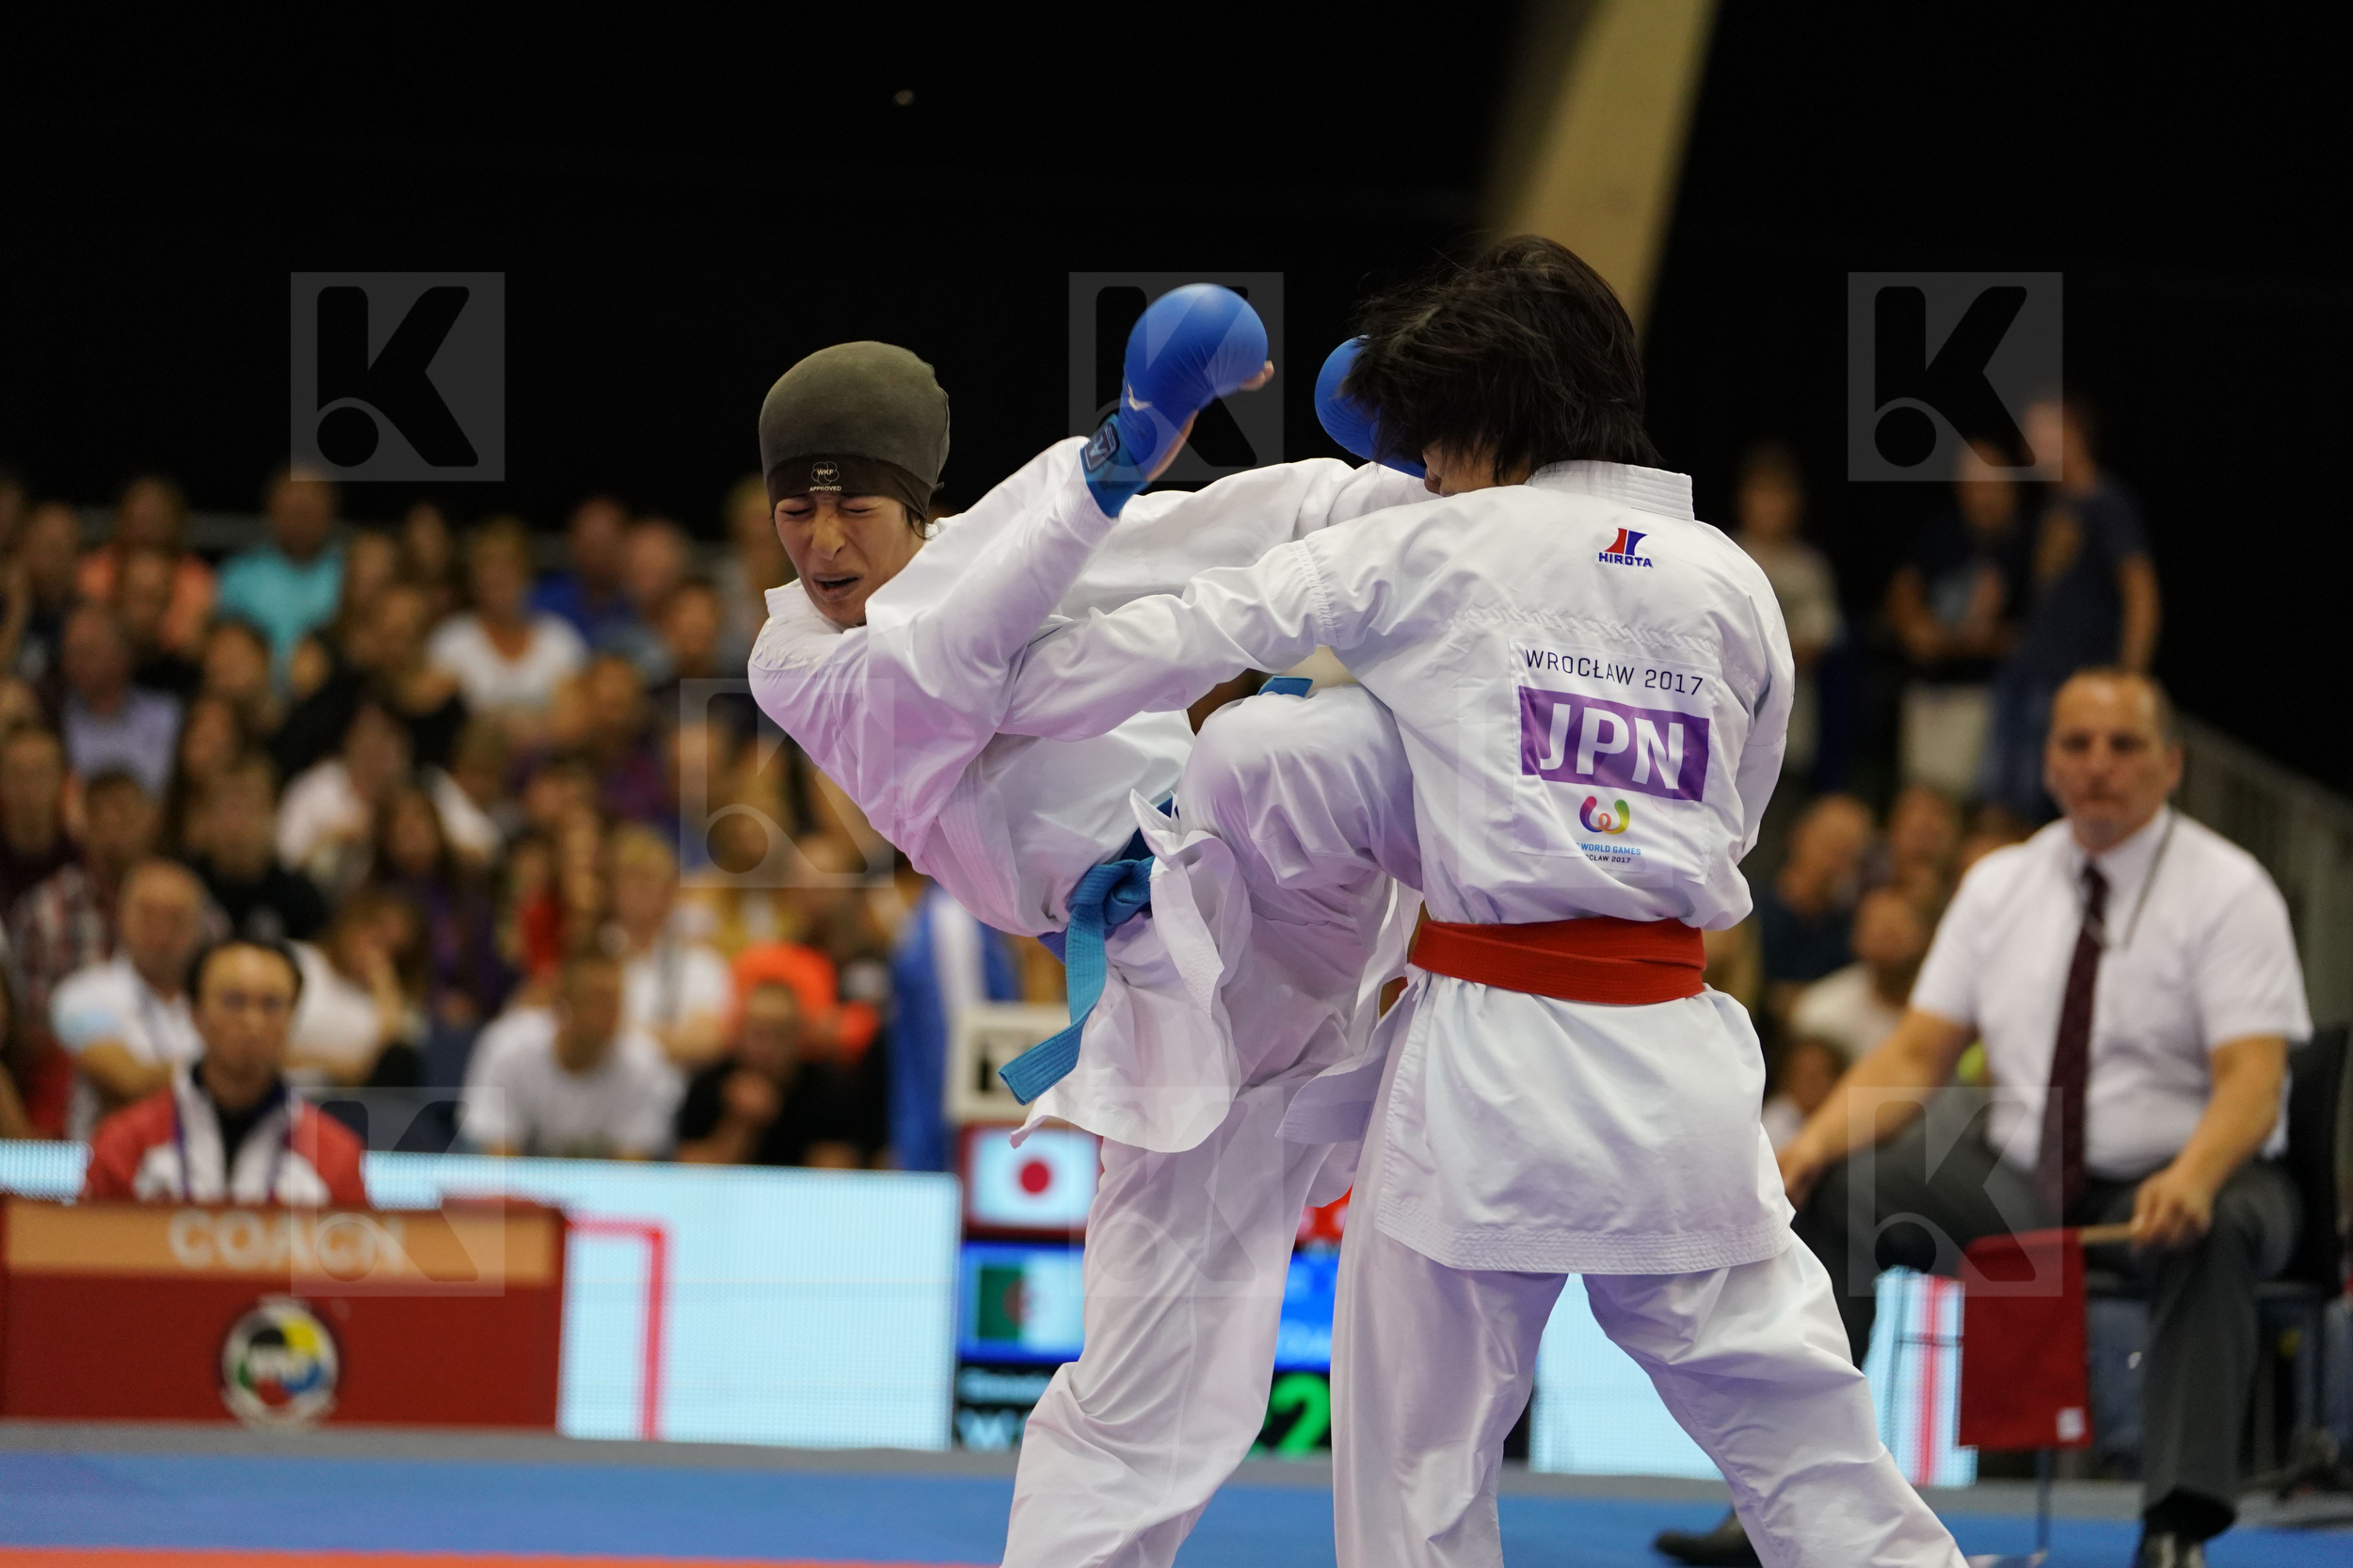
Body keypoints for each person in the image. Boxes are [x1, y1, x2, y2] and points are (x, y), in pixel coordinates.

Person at [992, 237, 1963, 1568]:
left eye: (1432, 441)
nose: (1423, 472)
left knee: (1417, 1490)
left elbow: (1186, 632)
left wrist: (969, 663)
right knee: (1818, 1462)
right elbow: (1732, 816)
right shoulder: (1736, 580)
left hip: (1487, 1076)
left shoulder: (1448, 546)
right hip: (1674, 1057)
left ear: (1487, 419)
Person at [744, 314, 1429, 1567]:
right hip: (1179, 986)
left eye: (855, 509)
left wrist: (1389, 474)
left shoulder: (1001, 547)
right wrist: (1118, 458)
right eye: (798, 510)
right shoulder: (797, 660)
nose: (826, 542)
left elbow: (1218, 529)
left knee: (1294, 735)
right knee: (1148, 1393)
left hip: (1272, 886)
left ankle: (1476, 496)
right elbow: (949, 673)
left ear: (917, 508)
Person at [1777, 670, 2304, 1567]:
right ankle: (1801, 1503)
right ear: (2048, 763)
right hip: (2020, 1178)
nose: (2099, 763)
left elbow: (2253, 1080)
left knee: (2207, 1230)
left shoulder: (2230, 888)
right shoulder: (2000, 885)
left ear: (2171, 764)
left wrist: (2196, 1173)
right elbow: (1915, 1055)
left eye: (2124, 745)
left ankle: (2177, 1527)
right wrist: (1809, 1144)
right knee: (1844, 1189)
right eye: (2076, 744)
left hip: (2186, 1166)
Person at [1979, 396, 2162, 820]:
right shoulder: (2051, 510)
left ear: (2076, 435)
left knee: (2047, 802)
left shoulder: (2107, 501)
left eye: (2046, 433)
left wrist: (2129, 681)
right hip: (2028, 673)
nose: (2034, 448)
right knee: (2000, 802)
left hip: (2073, 682)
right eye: (2029, 437)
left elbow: (2141, 591)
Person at [82, 936, 368, 1206]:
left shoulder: (337, 1156)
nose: (253, 1023)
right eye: (234, 1001)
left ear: (292, 1018)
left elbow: (361, 1253)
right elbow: (81, 1250)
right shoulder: (126, 1143)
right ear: (195, 1015)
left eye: (271, 1004)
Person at [1884, 440, 2032, 797]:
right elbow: (1903, 590)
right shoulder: (1941, 533)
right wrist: (1916, 627)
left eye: (1990, 484)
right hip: (1933, 696)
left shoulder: (2030, 542)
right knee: (1925, 799)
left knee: (1986, 806)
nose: (1980, 496)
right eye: (1970, 485)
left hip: (2000, 701)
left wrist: (1962, 642)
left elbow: (2030, 634)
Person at [8, 769, 162, 1077]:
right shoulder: (44, 913)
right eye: (106, 817)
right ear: (83, 826)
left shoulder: (185, 904)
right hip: (67, 1074)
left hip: (166, 1073)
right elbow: (28, 1033)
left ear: (152, 823)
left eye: (129, 816)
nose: (117, 831)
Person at [461, 950, 680, 1159]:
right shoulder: (507, 1048)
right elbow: (497, 1166)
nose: (610, 1015)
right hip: (522, 1193)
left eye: (616, 1002)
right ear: (561, 1006)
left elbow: (630, 1177)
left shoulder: (643, 1064)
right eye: (597, 1001)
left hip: (601, 1193)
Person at [48, 857, 209, 1141]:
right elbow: (128, 1081)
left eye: (176, 917)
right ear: (120, 915)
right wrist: (235, 1072)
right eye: (147, 914)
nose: (161, 931)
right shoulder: (81, 995)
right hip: (108, 1172)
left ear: (199, 926)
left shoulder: (214, 1000)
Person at [674, 979, 886, 1167]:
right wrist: (740, 1124)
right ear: (738, 1034)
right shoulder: (708, 1085)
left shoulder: (832, 1091)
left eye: (779, 1034)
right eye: (757, 1034)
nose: (766, 1047)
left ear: (798, 1037)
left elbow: (835, 1185)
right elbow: (693, 1181)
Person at [1730, 441, 1840, 781]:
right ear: (1743, 498)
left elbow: (1811, 646)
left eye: (1779, 495)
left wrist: (1743, 643)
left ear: (1796, 503)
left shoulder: (1810, 569)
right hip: (1727, 729)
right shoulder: (1725, 555)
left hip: (1787, 735)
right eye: (1762, 494)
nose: (1770, 507)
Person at [428, 519, 589, 741]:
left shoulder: (559, 640)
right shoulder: (450, 642)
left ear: (527, 572)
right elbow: (440, 726)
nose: (499, 577)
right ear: (473, 578)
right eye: (488, 567)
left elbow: (574, 723)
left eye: (508, 566)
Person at [605, 823, 733, 1067]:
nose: (634, 890)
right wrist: (666, 1038)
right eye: (625, 879)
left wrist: (624, 1037)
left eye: (646, 880)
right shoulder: (592, 955)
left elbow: (708, 1041)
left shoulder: (700, 962)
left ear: (670, 890)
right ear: (611, 888)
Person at [1750, 792, 1874, 1028]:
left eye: (1847, 852)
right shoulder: (1745, 911)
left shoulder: (1850, 938)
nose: (1833, 861)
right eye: (1829, 844)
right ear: (1798, 835)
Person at [215, 468, 344, 681]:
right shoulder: (239, 575)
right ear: (271, 510)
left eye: (308, 511)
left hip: (333, 700)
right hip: (255, 701)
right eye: (293, 510)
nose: (301, 522)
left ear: (331, 510)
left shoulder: (350, 573)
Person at [187, 752, 330, 942]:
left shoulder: (302, 901)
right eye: (228, 809)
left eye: (251, 807)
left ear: (274, 813)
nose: (238, 823)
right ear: (206, 815)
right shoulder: (182, 885)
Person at [288, 888, 421, 1087]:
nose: (376, 954)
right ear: (352, 923)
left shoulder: (389, 1002)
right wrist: (336, 1068)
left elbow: (389, 1063)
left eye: (393, 950)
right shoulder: (297, 960)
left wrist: (385, 987)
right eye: (375, 938)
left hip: (351, 1104)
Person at [1786, 886, 1929, 1067]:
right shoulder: (1821, 1013)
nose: (1885, 944)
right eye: (1875, 929)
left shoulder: (1951, 1014)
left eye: (1893, 933)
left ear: (1927, 937)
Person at [76, 474, 216, 655]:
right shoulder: (92, 571)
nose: (147, 529)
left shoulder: (197, 579)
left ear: (176, 522)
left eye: (156, 519)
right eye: (140, 518)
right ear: (121, 520)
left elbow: (189, 644)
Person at [56, 603, 183, 796]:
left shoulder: (167, 716)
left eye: (88, 651)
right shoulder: (55, 724)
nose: (75, 662)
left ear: (122, 655)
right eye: (70, 652)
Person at [532, 495, 636, 647]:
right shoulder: (542, 602)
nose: (598, 556)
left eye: (606, 545)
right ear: (572, 542)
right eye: (590, 546)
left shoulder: (638, 602)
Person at [111, 544, 205, 698]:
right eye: (136, 596)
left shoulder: (188, 679)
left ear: (167, 602)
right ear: (117, 598)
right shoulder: (90, 672)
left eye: (153, 598)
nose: (144, 610)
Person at [0, 723, 74, 912]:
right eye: (17, 773)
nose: (29, 785)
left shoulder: (82, 862)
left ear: (63, 780)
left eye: (40, 772)